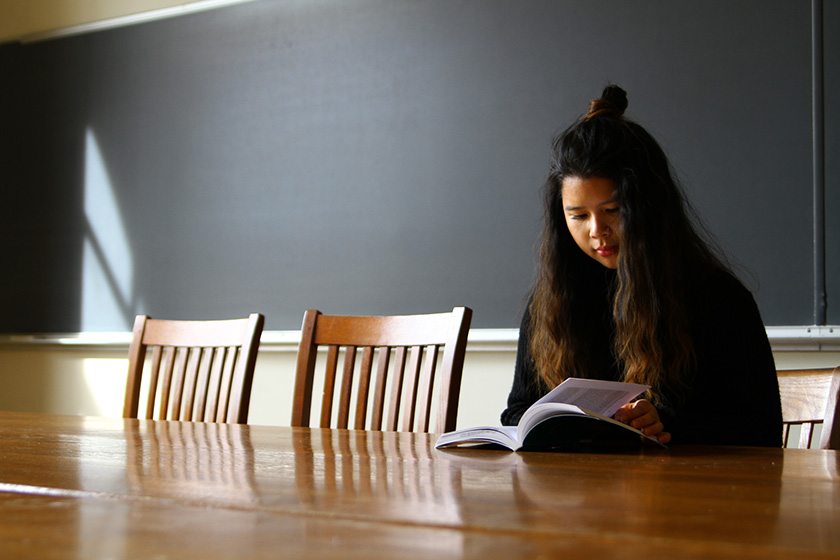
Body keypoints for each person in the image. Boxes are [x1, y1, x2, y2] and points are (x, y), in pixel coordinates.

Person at [501, 85, 782, 446]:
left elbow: (761, 429)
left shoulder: (718, 298)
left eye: (612, 211)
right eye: (578, 215)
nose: (597, 231)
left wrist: (665, 425)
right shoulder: (553, 302)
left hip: (690, 495)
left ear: (649, 206)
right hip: (580, 497)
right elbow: (516, 411)